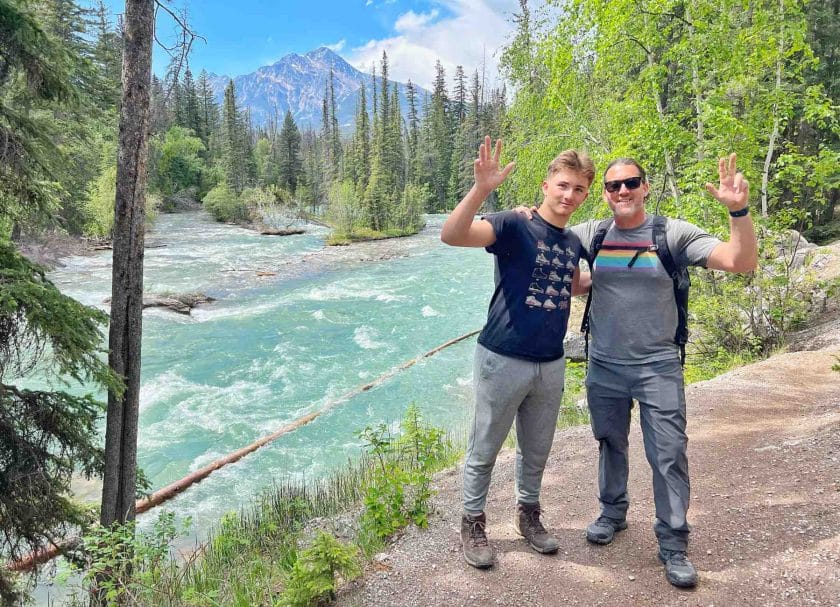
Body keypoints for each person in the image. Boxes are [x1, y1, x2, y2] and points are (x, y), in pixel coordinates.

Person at [558, 154, 757, 588]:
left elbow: (739, 261)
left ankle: (672, 542)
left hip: (658, 367)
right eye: (613, 186)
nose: (623, 191)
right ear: (605, 195)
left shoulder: (673, 233)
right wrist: (522, 212)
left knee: (668, 454)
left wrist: (738, 212)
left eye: (631, 183)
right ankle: (613, 513)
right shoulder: (593, 234)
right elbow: (550, 239)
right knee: (609, 442)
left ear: (645, 187)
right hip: (604, 364)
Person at [440, 136, 594, 568]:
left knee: (537, 448)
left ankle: (529, 516)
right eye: (562, 185)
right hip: (502, 356)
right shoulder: (513, 224)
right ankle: (472, 522)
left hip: (550, 361)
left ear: (585, 194)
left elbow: (571, 283)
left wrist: (621, 275)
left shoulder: (573, 244)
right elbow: (452, 235)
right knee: (485, 446)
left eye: (578, 189)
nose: (568, 195)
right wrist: (481, 190)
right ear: (546, 184)